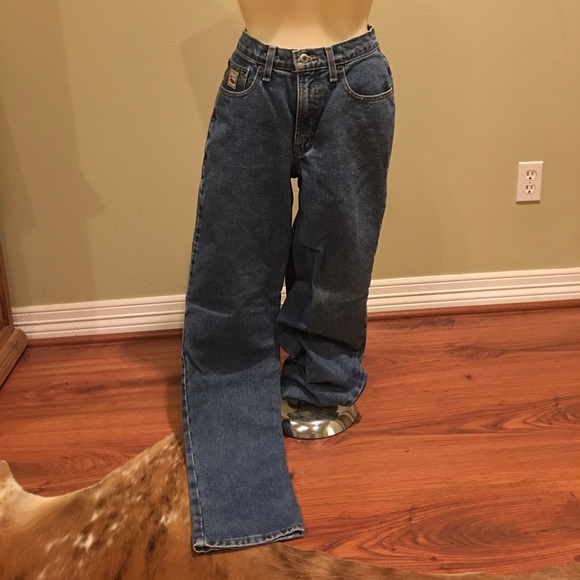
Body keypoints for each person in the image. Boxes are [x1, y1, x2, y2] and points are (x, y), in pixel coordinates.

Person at [181, 0, 395, 553]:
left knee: (340, 251)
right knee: (234, 257)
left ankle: (324, 380)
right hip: (257, 76)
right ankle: (233, 392)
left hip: (357, 78)